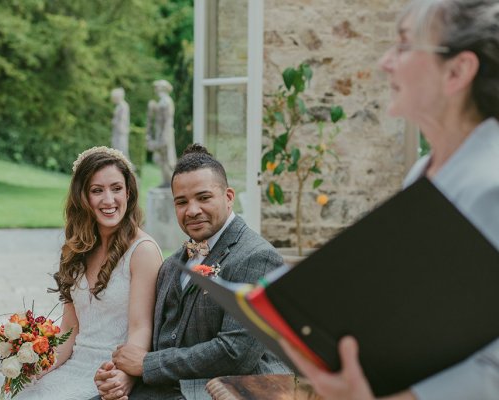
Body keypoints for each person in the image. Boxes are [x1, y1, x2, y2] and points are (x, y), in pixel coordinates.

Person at [279, 0, 499, 399]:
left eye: (403, 45)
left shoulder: (491, 187)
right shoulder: (423, 173)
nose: (385, 63)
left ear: (457, 71)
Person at [95, 144, 291, 400]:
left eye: (204, 197)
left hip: (230, 391)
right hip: (166, 389)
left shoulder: (257, 257)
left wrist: (146, 365)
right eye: (182, 202)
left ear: (229, 196)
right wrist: (123, 375)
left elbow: (236, 352)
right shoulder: (171, 264)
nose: (192, 210)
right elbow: (159, 340)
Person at [17, 146, 162, 399]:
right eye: (97, 190)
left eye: (116, 188)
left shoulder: (143, 252)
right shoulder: (77, 249)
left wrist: (124, 375)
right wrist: (38, 367)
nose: (109, 200)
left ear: (129, 191)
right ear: (83, 197)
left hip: (109, 370)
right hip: (75, 363)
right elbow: (70, 331)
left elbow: (141, 329)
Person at [146, 79, 177, 187]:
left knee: (167, 157)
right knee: (162, 157)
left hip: (166, 134)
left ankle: (170, 181)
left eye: (157, 87)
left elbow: (168, 120)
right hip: (161, 133)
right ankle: (166, 180)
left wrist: (164, 136)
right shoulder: (162, 101)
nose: (156, 89)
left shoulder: (167, 101)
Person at [110, 88, 130, 160]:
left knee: (121, 150)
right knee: (116, 150)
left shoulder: (123, 106)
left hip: (120, 132)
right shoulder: (119, 106)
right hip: (117, 131)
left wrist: (115, 122)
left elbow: (123, 119)